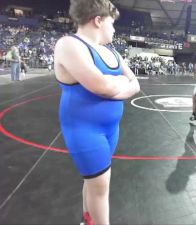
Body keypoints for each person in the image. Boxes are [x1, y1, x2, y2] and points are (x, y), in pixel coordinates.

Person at [54, 0, 140, 224]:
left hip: (111, 129)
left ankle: (87, 220)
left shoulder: (111, 52)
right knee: (100, 187)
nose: (114, 29)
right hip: (85, 130)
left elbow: (135, 85)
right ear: (98, 20)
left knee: (94, 182)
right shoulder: (69, 45)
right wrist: (120, 82)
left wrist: (114, 88)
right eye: (112, 24)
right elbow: (101, 86)